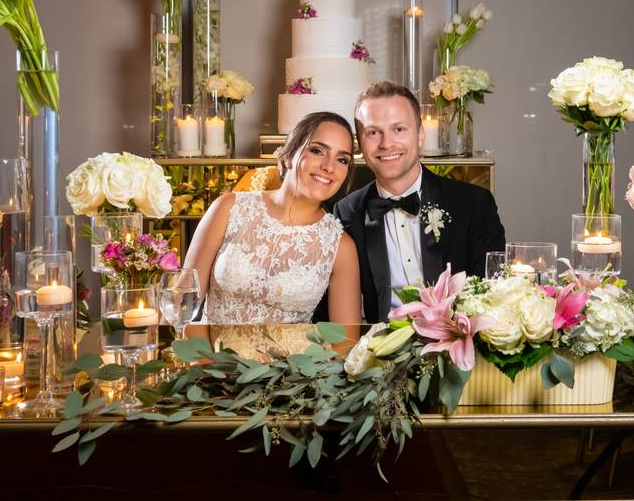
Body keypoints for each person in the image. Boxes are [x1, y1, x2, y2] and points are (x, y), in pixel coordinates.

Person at [329, 81, 506, 323]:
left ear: (420, 135)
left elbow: (491, 295)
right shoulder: (347, 211)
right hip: (381, 350)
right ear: (359, 143)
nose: (386, 144)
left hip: (462, 345)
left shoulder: (474, 204)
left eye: (398, 129)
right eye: (373, 132)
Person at [183, 112, 361, 324]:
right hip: (212, 354)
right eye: (317, 151)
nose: (329, 167)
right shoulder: (228, 208)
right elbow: (183, 307)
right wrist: (202, 358)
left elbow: (344, 343)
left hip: (294, 357)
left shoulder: (340, 246)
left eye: (342, 159)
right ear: (288, 156)